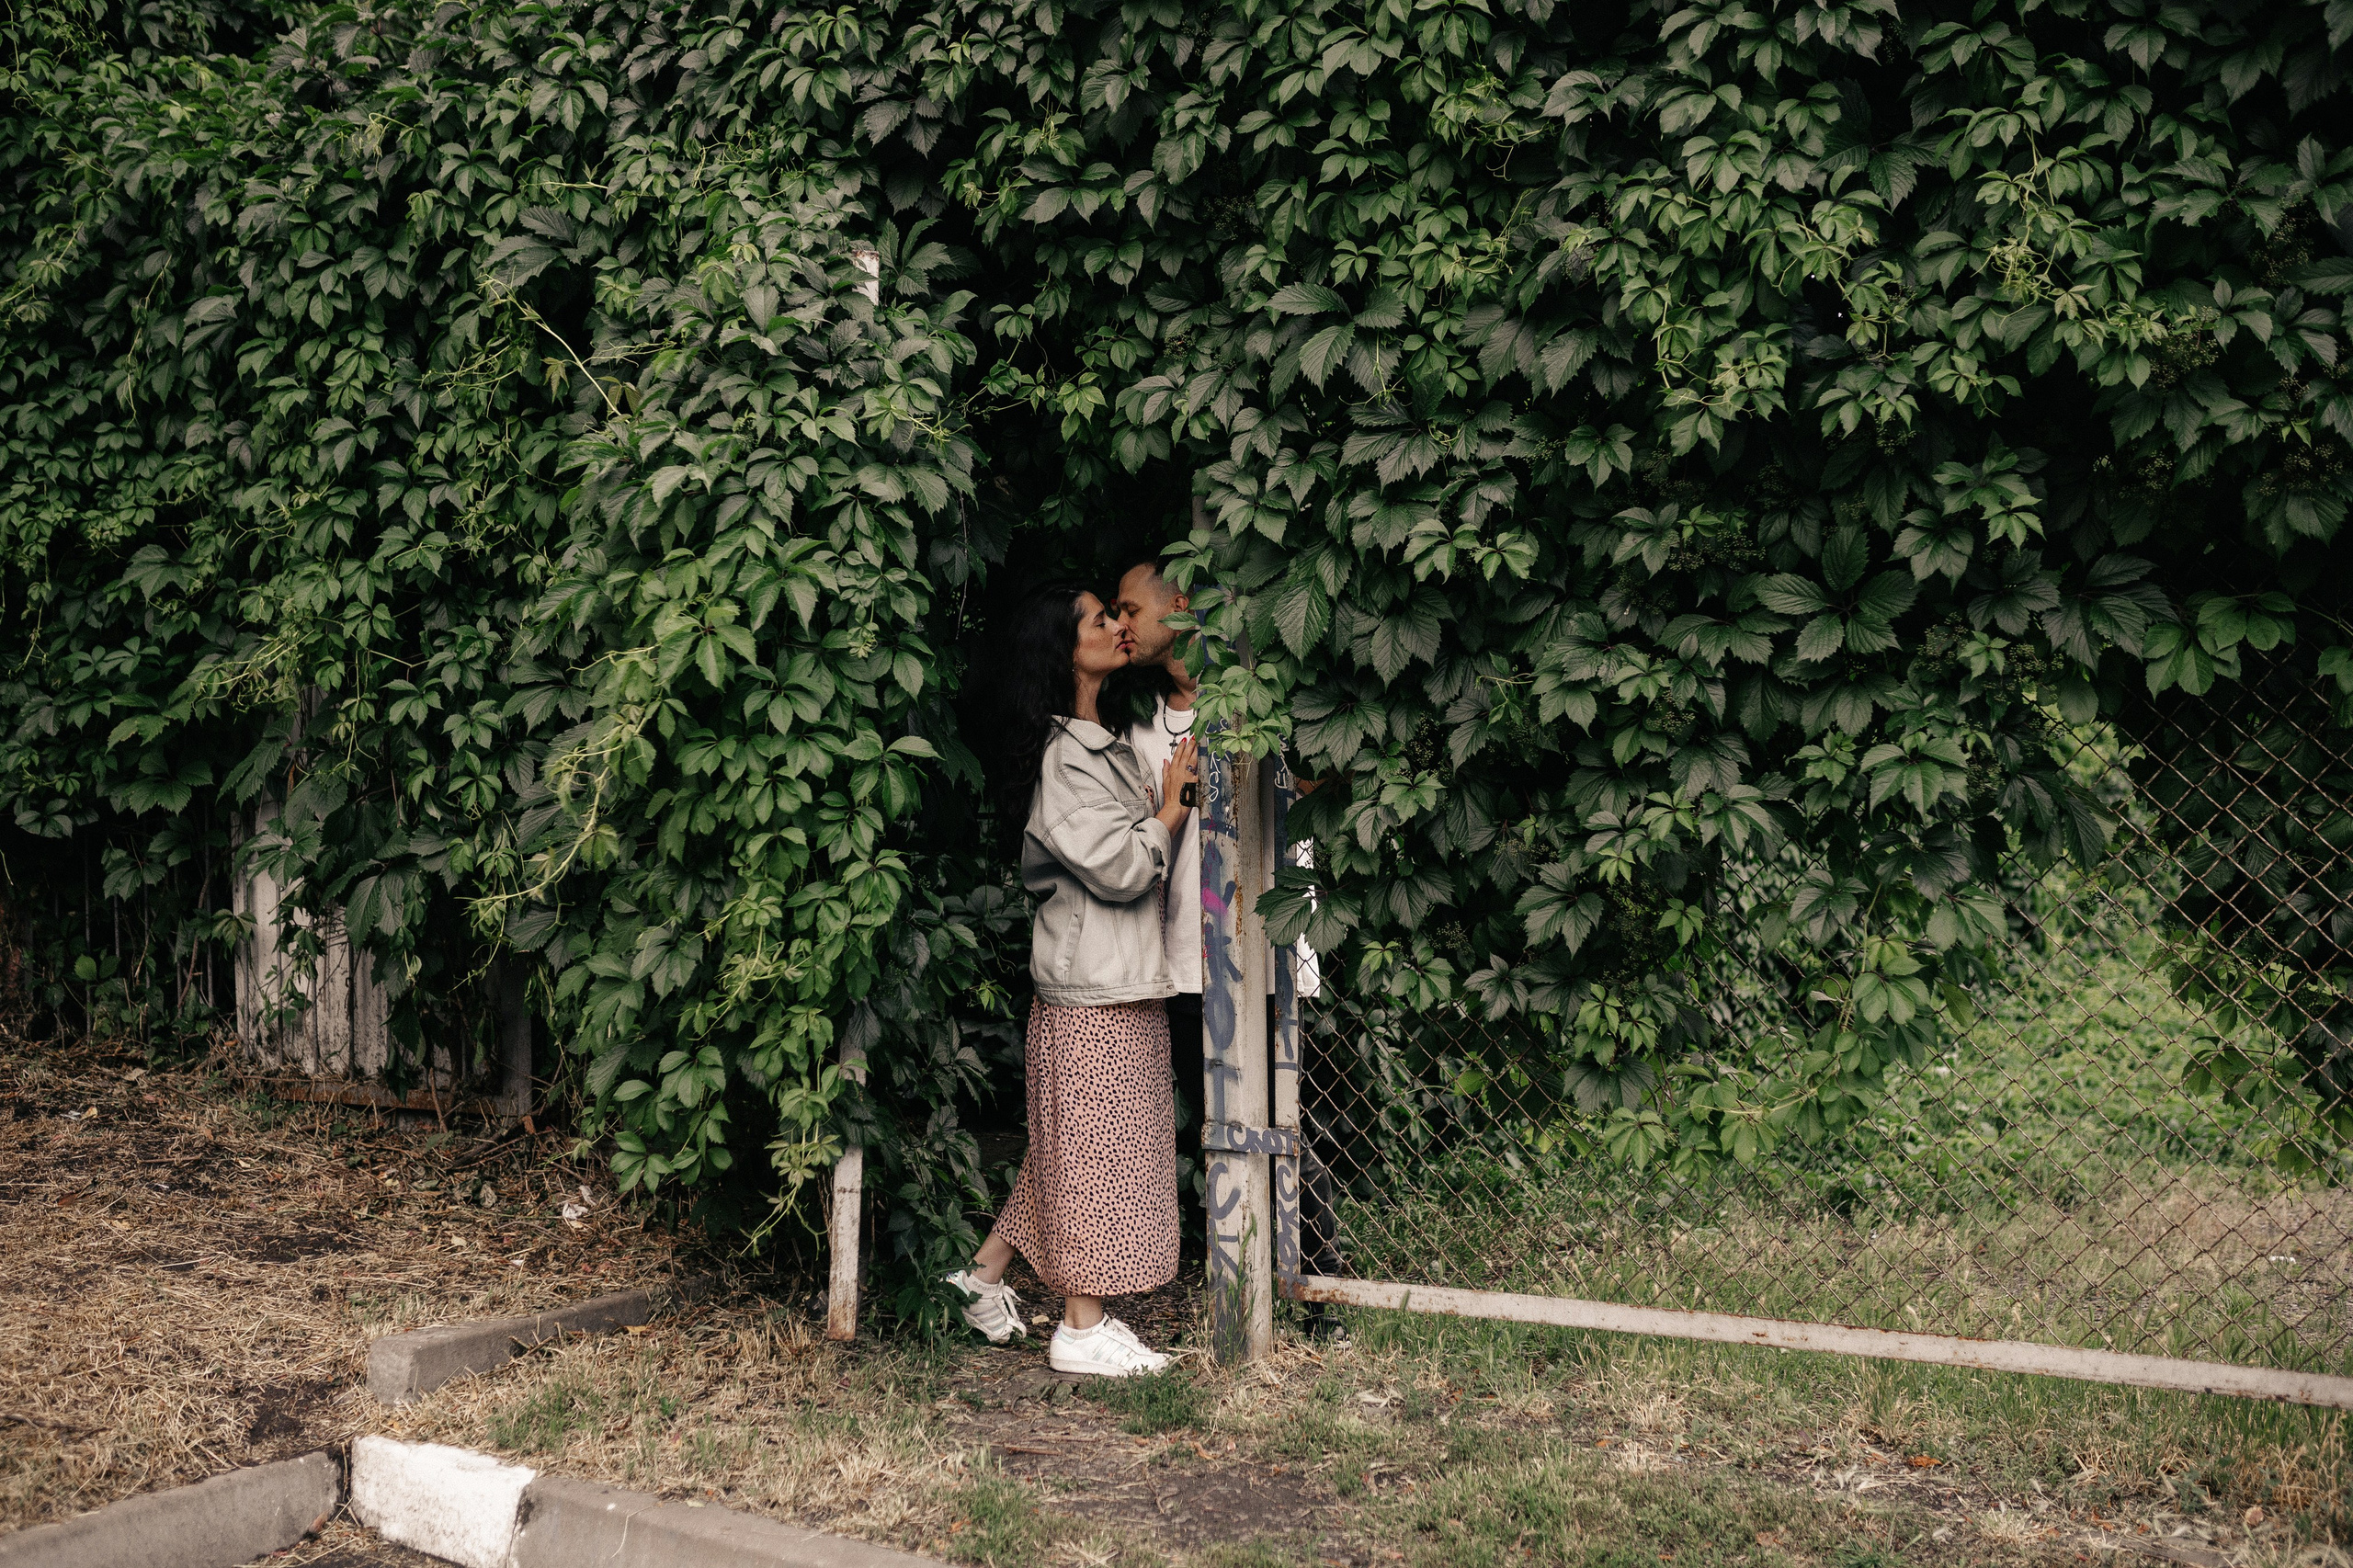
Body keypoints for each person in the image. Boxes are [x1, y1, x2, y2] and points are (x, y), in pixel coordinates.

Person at [946, 581, 1201, 1378]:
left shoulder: (1100, 737)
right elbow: (1124, 868)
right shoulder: (1066, 758)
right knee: (1095, 1156)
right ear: (1066, 651)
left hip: (1113, 978)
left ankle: (981, 1277)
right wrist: (1169, 812)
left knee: (1070, 1151)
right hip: (1094, 988)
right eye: (1102, 620)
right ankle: (1082, 1328)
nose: (1120, 627)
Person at [1103, 558, 1206, 1236]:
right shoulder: (1135, 722)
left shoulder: (1250, 699)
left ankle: (1314, 1278)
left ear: (1180, 601)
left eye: (1130, 609)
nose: (1121, 624)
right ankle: (1230, 1269)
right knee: (1205, 1116)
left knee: (1280, 1113)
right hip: (1176, 953)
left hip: (1259, 946)